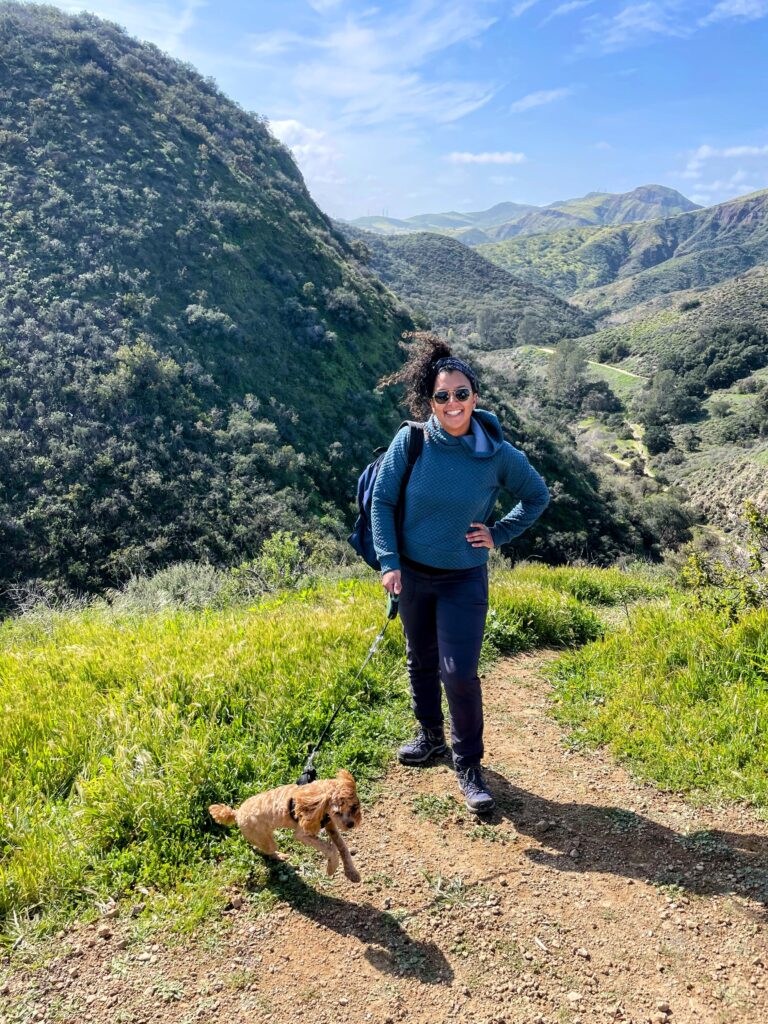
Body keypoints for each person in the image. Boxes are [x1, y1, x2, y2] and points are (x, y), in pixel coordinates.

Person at [371, 334, 550, 814]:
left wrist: (499, 533)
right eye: (443, 396)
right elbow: (383, 502)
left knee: (460, 673)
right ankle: (430, 736)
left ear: (475, 397)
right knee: (420, 659)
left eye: (461, 394)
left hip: (463, 579)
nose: (453, 404)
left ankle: (468, 763)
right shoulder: (410, 441)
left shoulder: (496, 453)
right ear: (429, 401)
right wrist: (389, 562)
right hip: (412, 573)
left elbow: (537, 496)